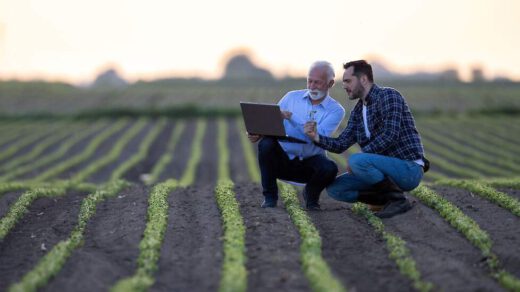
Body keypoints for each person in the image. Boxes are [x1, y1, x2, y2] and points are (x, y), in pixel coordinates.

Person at [304, 60, 429, 218]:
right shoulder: (358, 111)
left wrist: (360, 158)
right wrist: (316, 137)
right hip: (380, 172)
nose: (344, 85)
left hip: (407, 168)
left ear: (363, 79)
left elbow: (390, 135)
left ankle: (398, 200)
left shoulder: (389, 96)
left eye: (348, 81)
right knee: (336, 189)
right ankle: (383, 200)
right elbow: (341, 144)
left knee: (357, 160)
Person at [248, 61, 345, 210]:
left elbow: (319, 136)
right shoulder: (291, 97)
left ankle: (311, 197)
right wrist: (258, 133)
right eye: (309, 81)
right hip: (283, 160)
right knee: (266, 143)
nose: (312, 86)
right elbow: (273, 121)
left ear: (330, 83)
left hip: (309, 164)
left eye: (317, 83)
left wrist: (292, 117)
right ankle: (270, 198)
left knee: (330, 168)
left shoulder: (336, 110)